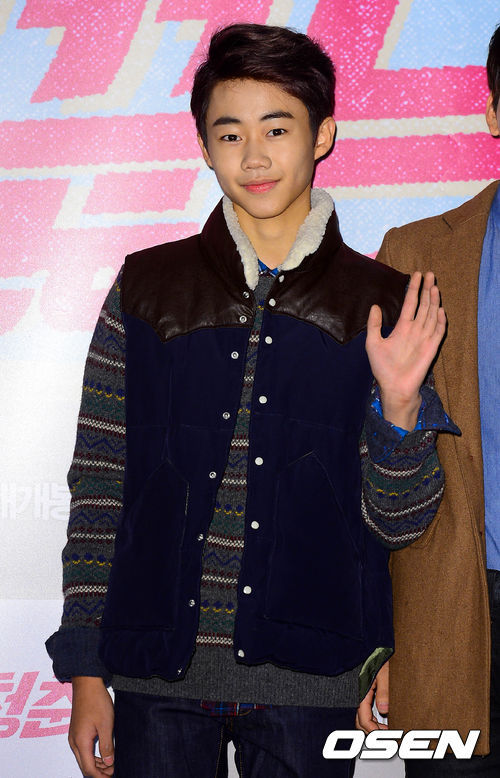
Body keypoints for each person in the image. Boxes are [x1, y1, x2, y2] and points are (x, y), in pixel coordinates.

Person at [46, 23, 456, 778]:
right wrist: (85, 668)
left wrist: (400, 415)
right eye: (229, 134)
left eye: (277, 128)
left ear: (322, 134)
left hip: (313, 678)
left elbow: (402, 524)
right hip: (153, 675)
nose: (254, 157)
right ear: (205, 147)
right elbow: (100, 485)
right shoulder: (145, 286)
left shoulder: (384, 302)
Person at [357, 23, 500, 777]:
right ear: (493, 113)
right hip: (450, 619)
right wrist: (383, 639)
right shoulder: (416, 256)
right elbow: (365, 464)